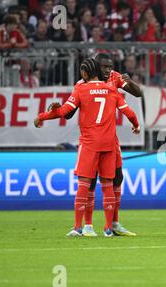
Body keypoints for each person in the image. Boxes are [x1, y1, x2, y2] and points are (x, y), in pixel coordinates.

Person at [34, 58, 141, 237]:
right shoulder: (111, 90)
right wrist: (136, 125)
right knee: (106, 184)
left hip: (90, 143)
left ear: (84, 72)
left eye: (109, 67)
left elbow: (65, 112)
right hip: (108, 143)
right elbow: (129, 112)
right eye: (104, 67)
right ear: (97, 69)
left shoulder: (82, 88)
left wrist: (43, 116)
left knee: (86, 183)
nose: (108, 70)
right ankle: (105, 227)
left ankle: (80, 227)